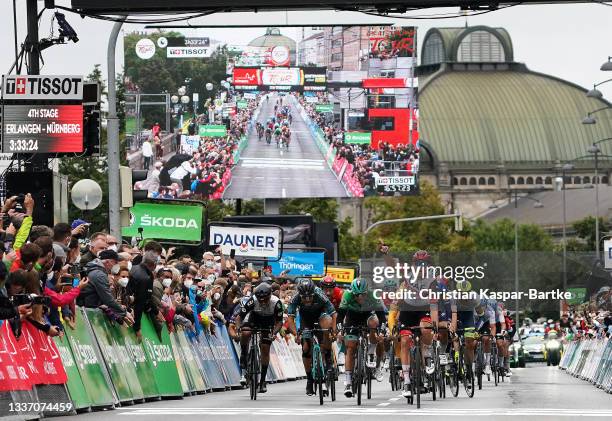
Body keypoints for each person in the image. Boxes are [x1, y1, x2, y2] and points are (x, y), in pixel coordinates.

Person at [286, 278, 337, 396]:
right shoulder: (295, 297)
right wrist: (296, 334)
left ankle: (328, 358)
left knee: (326, 328)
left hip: (321, 315)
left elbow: (334, 314)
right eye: (304, 297)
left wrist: (333, 331)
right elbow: (290, 318)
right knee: (306, 348)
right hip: (306, 320)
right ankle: (309, 379)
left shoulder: (320, 293)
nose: (307, 300)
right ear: (300, 294)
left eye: (310, 297)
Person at [337, 278, 386, 398]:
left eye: (363, 295)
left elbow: (381, 316)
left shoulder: (373, 295)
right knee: (350, 348)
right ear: (353, 292)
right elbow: (340, 316)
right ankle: (348, 382)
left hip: (367, 316)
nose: (360, 298)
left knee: (374, 324)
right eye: (357, 295)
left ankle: (370, 352)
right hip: (352, 318)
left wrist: (383, 331)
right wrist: (339, 330)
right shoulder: (347, 295)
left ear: (367, 291)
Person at [230, 283, 283, 394]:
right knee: (246, 333)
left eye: (265, 299)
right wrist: (239, 328)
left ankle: (262, 381)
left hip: (268, 321)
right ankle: (244, 354)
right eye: (260, 299)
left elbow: (279, 322)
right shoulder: (252, 300)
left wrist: (274, 333)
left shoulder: (276, 303)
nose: (263, 302)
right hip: (254, 319)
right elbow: (240, 317)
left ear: (270, 295)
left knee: (265, 348)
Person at [77, 250, 131, 325]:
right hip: (88, 311)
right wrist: (124, 312)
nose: (117, 265)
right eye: (115, 262)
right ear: (108, 262)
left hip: (89, 308)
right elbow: (107, 299)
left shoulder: (97, 271)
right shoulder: (99, 275)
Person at [129, 250, 162, 341]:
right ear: (154, 264)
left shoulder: (134, 268)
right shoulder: (145, 278)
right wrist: (137, 328)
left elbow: (147, 297)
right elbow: (140, 303)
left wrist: (155, 311)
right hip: (132, 310)